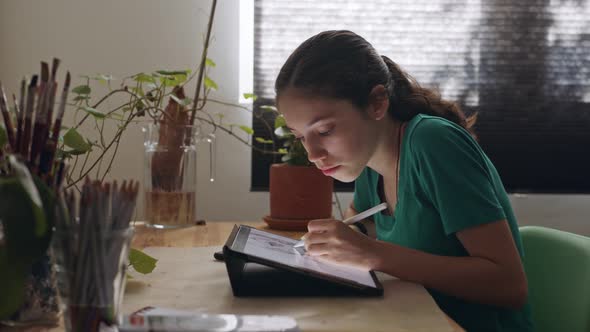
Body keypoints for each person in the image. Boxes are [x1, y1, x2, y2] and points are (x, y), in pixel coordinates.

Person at [274, 30, 533, 332]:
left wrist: (373, 254)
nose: (313, 154)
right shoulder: (368, 159)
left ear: (377, 103)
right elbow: (365, 222)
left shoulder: (433, 143)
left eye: (326, 131)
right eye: (300, 137)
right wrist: (347, 238)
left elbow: (509, 286)